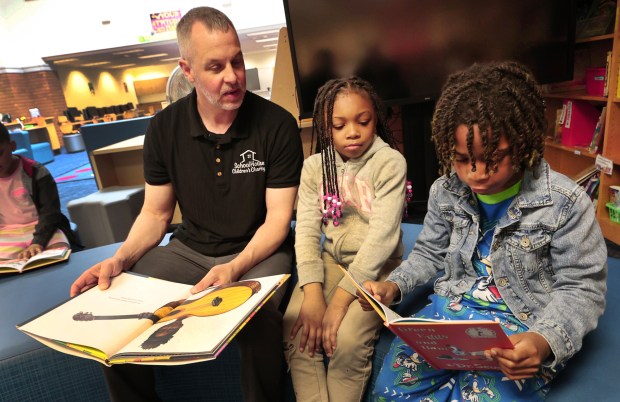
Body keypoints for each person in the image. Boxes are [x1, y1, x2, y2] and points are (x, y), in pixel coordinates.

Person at [70, 6, 303, 402]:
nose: (232, 76)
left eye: (237, 61)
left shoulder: (276, 125)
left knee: (260, 320)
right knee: (118, 311)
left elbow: (278, 221)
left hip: (259, 253)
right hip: (188, 250)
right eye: (215, 66)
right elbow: (156, 213)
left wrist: (233, 267)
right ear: (188, 70)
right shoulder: (163, 129)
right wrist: (121, 258)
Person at [362, 61, 608, 401]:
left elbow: (582, 288)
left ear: (524, 144)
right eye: (462, 159)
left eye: (494, 158)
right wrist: (394, 284)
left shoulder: (566, 203)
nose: (476, 173)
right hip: (450, 316)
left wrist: (543, 341)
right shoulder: (443, 191)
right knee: (393, 391)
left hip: (523, 326)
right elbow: (429, 252)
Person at [283, 76, 408, 402]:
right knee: (295, 326)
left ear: (375, 118)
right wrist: (312, 295)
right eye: (339, 126)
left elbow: (383, 238)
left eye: (362, 122)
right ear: (326, 126)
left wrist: (339, 302)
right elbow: (307, 232)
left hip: (378, 268)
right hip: (332, 261)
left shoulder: (390, 163)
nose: (352, 132)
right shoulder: (314, 168)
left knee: (348, 339)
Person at [0, 122, 76, 260]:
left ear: (12, 146)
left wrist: (38, 242)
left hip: (44, 228)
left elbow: (50, 212)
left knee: (55, 258)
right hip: (6, 233)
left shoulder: (36, 171)